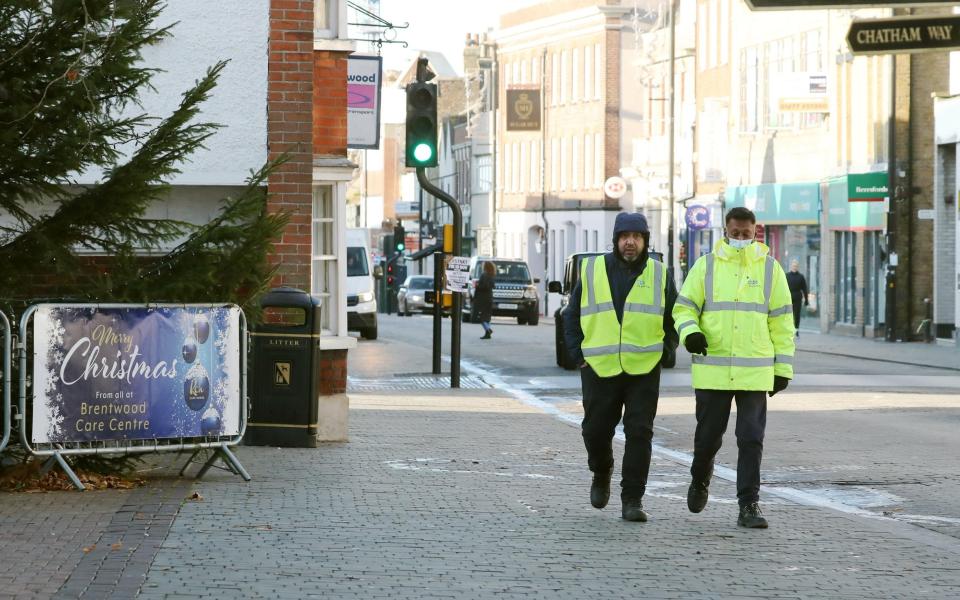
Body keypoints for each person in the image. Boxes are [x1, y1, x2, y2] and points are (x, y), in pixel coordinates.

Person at [673, 207, 795, 529]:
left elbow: (782, 323)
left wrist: (782, 368)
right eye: (735, 233)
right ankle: (700, 479)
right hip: (713, 370)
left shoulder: (771, 270)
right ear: (725, 232)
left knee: (751, 439)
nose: (741, 239)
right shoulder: (706, 267)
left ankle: (749, 504)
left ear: (756, 232)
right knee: (708, 438)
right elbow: (683, 308)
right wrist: (690, 333)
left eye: (747, 234)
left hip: (754, 371)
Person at [563, 212, 678, 522]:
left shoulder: (659, 272)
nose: (630, 242)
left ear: (645, 241)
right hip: (599, 368)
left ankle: (633, 499)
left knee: (640, 433)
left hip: (644, 367)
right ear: (615, 240)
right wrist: (578, 355)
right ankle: (601, 470)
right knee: (595, 431)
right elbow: (571, 315)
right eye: (625, 236)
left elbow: (675, 317)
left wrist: (667, 349)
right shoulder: (592, 270)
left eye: (637, 236)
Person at [785, 259, 809, 336]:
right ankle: (789, 329)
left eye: (796, 266)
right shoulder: (787, 276)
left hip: (798, 297)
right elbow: (783, 288)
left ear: (797, 267)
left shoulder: (801, 277)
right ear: (791, 266)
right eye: (793, 266)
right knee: (789, 314)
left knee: (797, 314)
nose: (794, 267)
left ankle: (796, 330)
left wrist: (806, 300)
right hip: (788, 298)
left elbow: (804, 289)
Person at [475, 261, 496, 339]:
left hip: (483, 298)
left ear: (486, 267)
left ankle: (488, 329)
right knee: (487, 316)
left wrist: (477, 285)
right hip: (489, 298)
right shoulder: (492, 275)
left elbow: (484, 286)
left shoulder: (484, 275)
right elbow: (493, 286)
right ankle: (487, 333)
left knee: (481, 317)